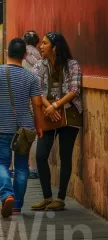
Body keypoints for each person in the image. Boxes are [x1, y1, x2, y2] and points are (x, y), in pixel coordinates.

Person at [0, 38, 44, 218]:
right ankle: (17, 205)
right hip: (24, 128)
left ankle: (7, 195)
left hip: (2, 125)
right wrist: (39, 127)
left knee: (2, 163)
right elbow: (37, 104)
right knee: (21, 167)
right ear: (25, 55)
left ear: (6, 53)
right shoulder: (31, 76)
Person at [31, 32, 83, 212]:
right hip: (48, 113)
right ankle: (47, 197)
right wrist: (49, 108)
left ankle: (60, 198)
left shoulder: (72, 64)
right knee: (40, 155)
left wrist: (57, 105)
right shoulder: (39, 65)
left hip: (69, 112)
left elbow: (75, 89)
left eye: (45, 43)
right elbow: (36, 89)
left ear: (55, 47)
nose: (41, 46)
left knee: (65, 155)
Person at [23, 30, 42, 179]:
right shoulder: (39, 56)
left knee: (20, 132)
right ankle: (34, 168)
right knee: (34, 133)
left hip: (20, 97)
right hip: (35, 97)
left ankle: (17, 166)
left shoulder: (20, 54)